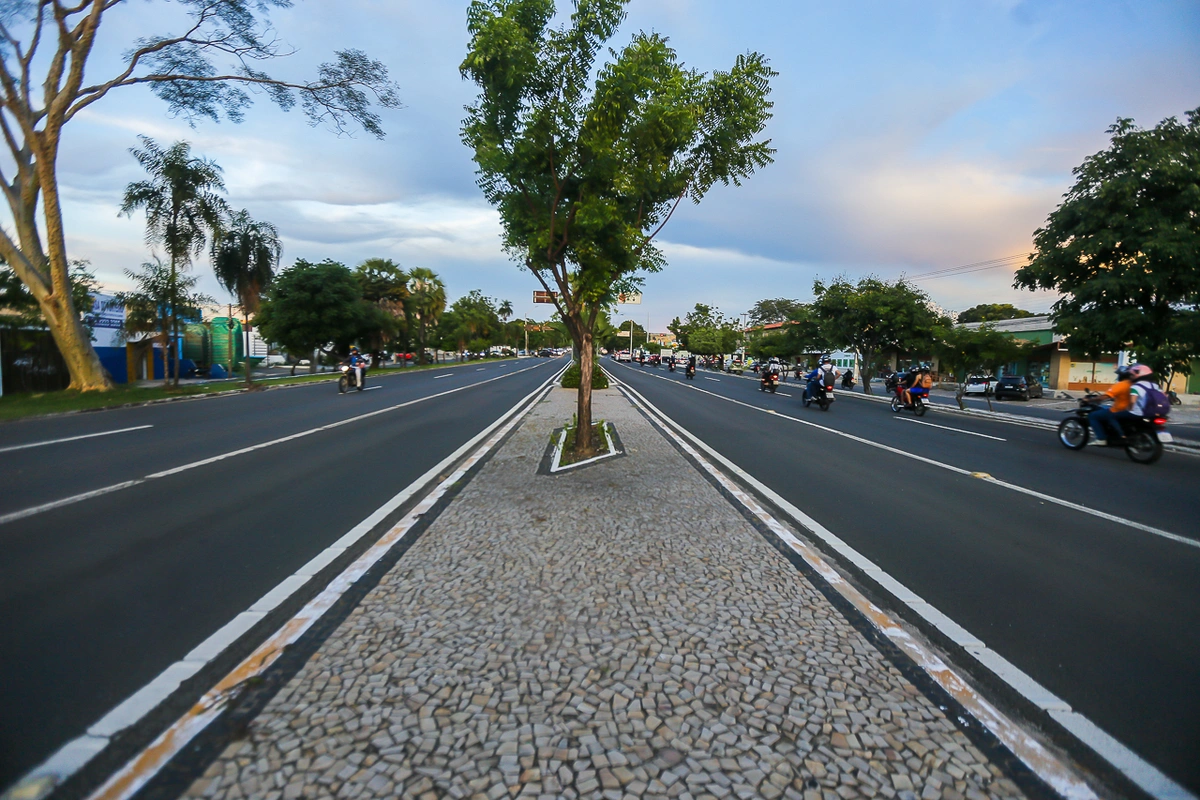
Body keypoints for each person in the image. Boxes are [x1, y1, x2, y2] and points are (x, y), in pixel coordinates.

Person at [1088, 364, 1144, 445]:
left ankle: (1101, 438)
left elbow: (1104, 397)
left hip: (1120, 410)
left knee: (1093, 416)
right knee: (1105, 409)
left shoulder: (1121, 385)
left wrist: (1090, 400)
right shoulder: (1137, 385)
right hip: (1134, 410)